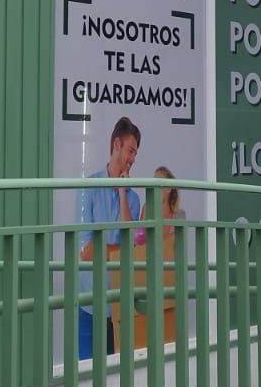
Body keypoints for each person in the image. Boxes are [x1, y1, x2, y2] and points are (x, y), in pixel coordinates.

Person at [76, 117, 142, 356]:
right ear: (116, 144)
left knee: (118, 380)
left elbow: (132, 248)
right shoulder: (89, 187)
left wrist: (123, 194)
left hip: (120, 307)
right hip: (89, 305)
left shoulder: (133, 199)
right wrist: (117, 249)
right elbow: (84, 251)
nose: (133, 159)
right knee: (86, 378)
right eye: (130, 151)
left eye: (136, 154)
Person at [110, 167, 184, 351]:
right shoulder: (146, 208)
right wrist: (123, 192)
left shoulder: (178, 215)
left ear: (168, 189)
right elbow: (133, 234)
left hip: (163, 281)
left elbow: (169, 246)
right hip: (143, 276)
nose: (153, 186)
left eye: (158, 182)